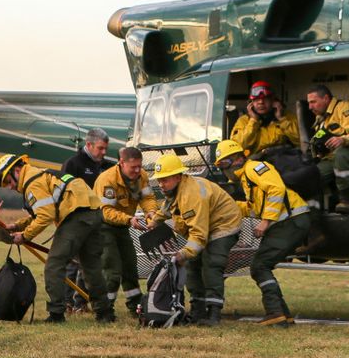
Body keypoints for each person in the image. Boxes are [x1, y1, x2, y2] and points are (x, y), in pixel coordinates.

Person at [0, 152, 115, 324]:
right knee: (91, 266)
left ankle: (56, 314)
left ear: (17, 170)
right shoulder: (40, 174)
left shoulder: (32, 183)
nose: (9, 186)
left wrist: (24, 236)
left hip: (75, 215)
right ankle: (105, 313)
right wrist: (18, 226)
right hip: (93, 212)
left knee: (54, 265)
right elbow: (44, 210)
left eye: (8, 181)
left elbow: (45, 216)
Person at [148, 152, 245, 327]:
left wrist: (182, 254)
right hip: (207, 226)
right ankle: (197, 311)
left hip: (224, 226)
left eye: (165, 180)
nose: (161, 184)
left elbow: (199, 236)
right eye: (159, 180)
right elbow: (168, 207)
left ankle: (214, 314)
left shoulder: (192, 195)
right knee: (192, 266)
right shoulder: (176, 189)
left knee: (212, 263)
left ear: (178, 176)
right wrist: (155, 221)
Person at [213, 139, 302, 327]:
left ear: (237, 159)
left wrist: (266, 221)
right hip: (286, 222)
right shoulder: (246, 179)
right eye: (220, 165)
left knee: (260, 266)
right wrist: (228, 206)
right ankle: (282, 316)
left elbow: (276, 189)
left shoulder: (255, 167)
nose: (223, 169)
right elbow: (254, 208)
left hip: (291, 221)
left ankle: (275, 313)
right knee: (261, 265)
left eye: (224, 163)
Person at [94, 145, 159, 319]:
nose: (138, 170)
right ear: (121, 163)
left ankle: (135, 306)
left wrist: (151, 213)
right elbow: (105, 211)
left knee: (130, 266)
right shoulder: (107, 180)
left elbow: (147, 198)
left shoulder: (142, 176)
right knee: (112, 270)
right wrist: (128, 219)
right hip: (103, 227)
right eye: (133, 167)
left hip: (123, 226)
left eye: (140, 166)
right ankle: (104, 310)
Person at [61, 128, 113, 309]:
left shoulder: (105, 167)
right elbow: (64, 193)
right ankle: (67, 302)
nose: (104, 152)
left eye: (105, 148)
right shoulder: (73, 164)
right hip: (76, 223)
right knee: (72, 264)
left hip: (97, 223)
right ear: (89, 145)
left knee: (90, 262)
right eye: (100, 148)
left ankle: (81, 303)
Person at [306, 84, 349, 214]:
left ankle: (346, 201)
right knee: (309, 177)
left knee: (341, 154)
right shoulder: (320, 117)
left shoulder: (345, 109)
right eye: (309, 103)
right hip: (330, 158)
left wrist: (343, 140)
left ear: (326, 98)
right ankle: (315, 221)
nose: (310, 107)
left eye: (313, 102)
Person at [229, 80, 299, 158]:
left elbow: (300, 141)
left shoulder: (287, 117)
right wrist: (253, 121)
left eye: (265, 99)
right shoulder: (244, 121)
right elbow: (236, 147)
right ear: (251, 103)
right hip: (255, 163)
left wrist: (281, 119)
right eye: (256, 99)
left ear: (273, 100)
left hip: (284, 159)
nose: (261, 102)